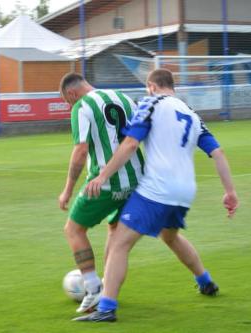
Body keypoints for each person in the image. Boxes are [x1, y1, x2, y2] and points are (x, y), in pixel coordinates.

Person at [75, 69, 239, 322]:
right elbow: (218, 153)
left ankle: (106, 308)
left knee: (119, 243)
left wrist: (103, 175)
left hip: (157, 188)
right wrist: (230, 192)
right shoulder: (191, 113)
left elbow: (130, 144)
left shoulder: (150, 103)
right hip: (185, 191)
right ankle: (205, 282)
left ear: (151, 86)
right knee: (170, 236)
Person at [58, 73, 144, 313]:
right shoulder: (124, 98)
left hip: (105, 183)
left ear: (73, 93)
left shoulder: (82, 106)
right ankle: (107, 292)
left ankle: (93, 286)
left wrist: (67, 190)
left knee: (73, 229)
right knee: (115, 233)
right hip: (136, 180)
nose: (69, 106)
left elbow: (81, 151)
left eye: (68, 101)